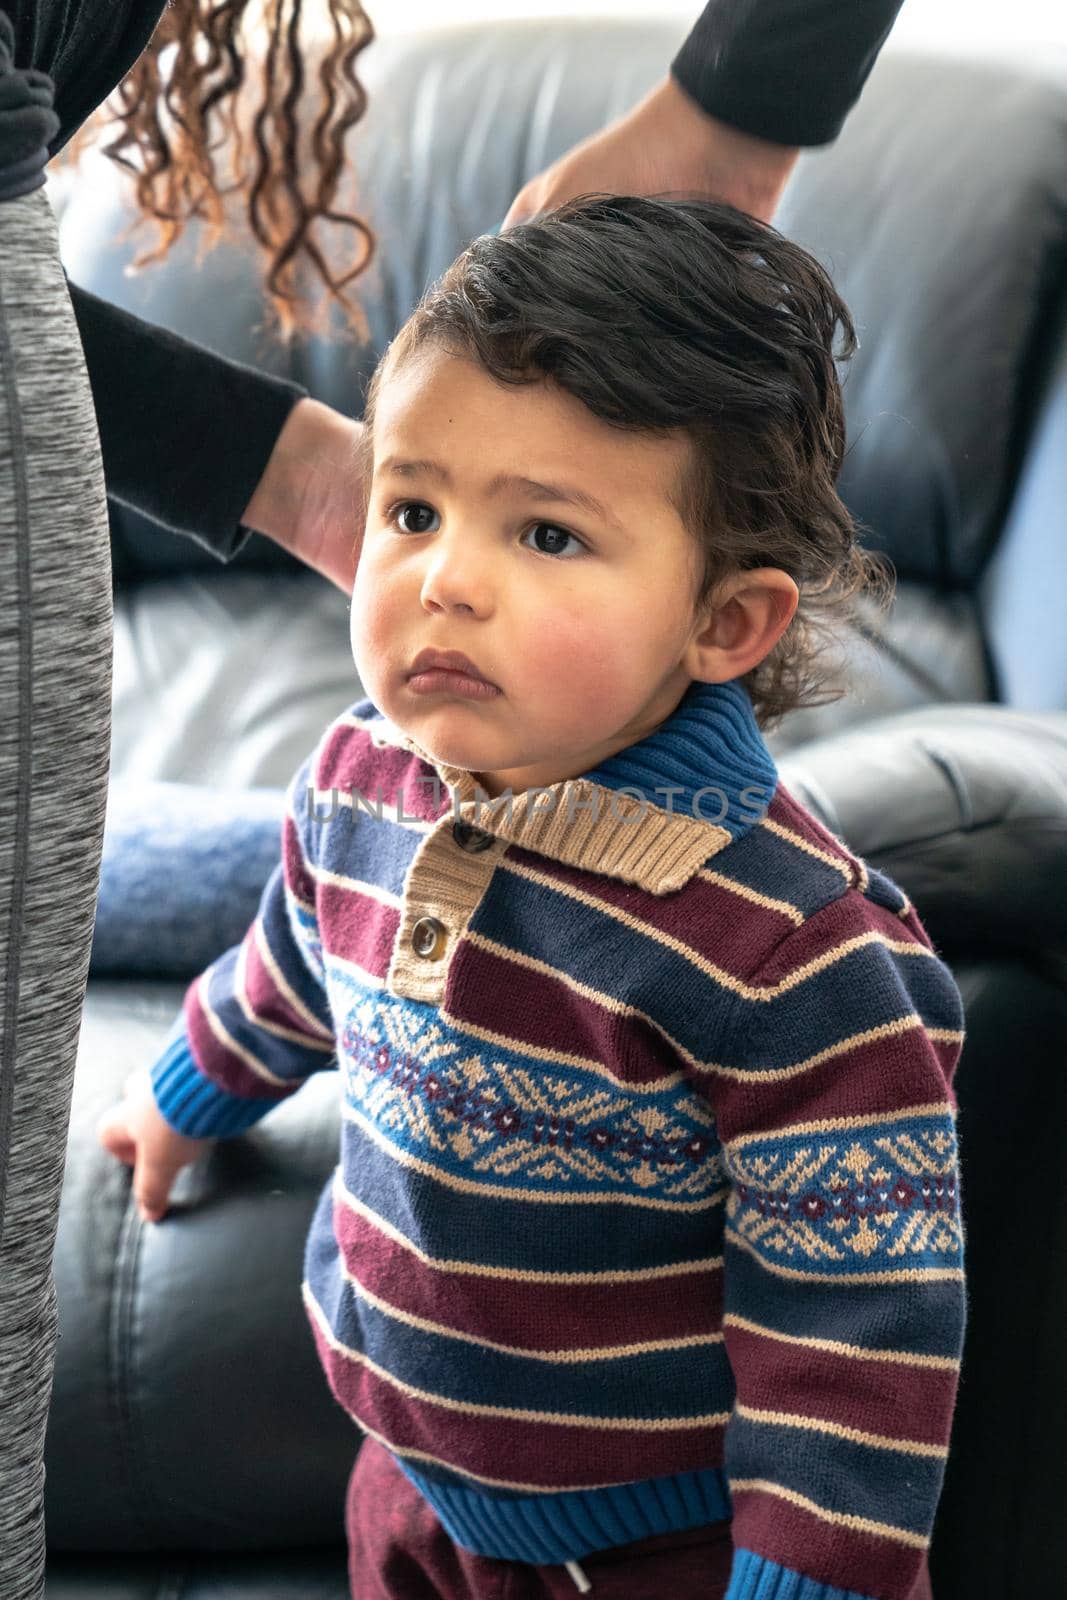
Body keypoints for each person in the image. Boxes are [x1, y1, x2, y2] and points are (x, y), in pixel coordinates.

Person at [0, 3, 907, 1595]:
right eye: (411, 508)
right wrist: (195, 1085)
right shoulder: (362, 778)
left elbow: (860, 1315)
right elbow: (302, 954)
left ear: (726, 623)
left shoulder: (790, 948)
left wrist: (812, 1568)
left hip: (653, 1552)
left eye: (545, 535)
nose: (442, 584)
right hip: (405, 1487)